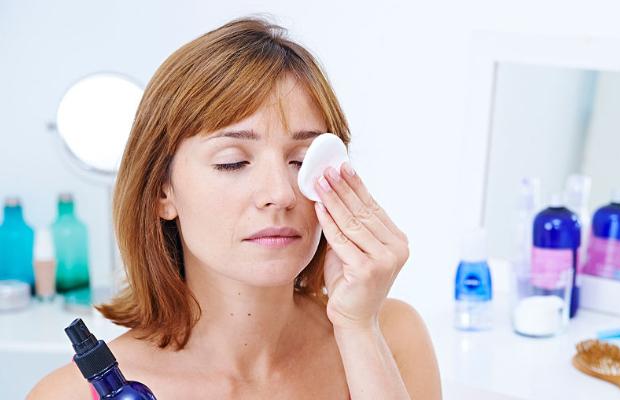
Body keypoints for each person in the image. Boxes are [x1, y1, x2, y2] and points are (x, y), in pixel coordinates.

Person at [29, 17, 440, 399]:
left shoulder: (391, 336)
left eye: (301, 161)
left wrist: (358, 332)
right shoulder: (73, 393)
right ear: (161, 192)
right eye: (233, 162)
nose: (280, 193)